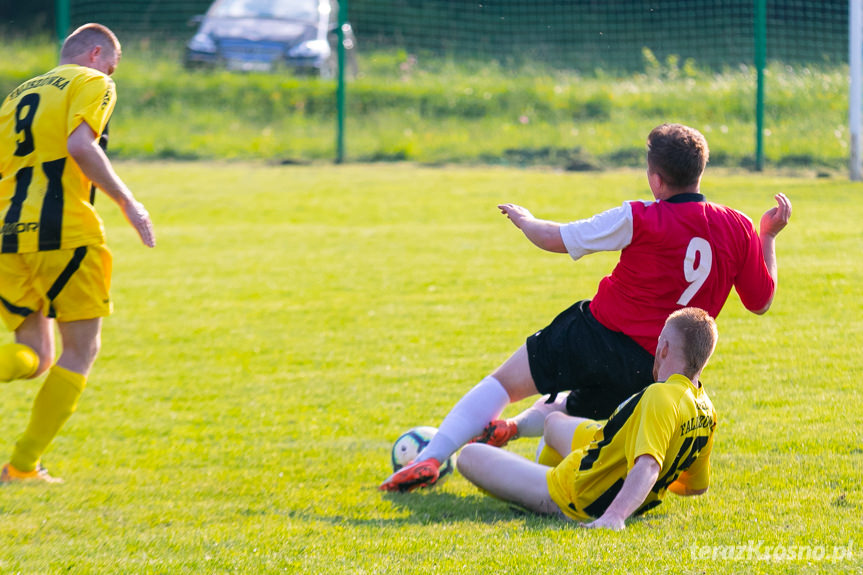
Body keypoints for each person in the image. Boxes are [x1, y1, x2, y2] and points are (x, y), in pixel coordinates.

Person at [380, 123, 790, 492]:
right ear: (701, 171)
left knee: (505, 384)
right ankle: (515, 428)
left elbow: (555, 238)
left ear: (655, 178)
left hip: (595, 334)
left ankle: (429, 458)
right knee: (573, 411)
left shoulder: (640, 216)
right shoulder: (738, 226)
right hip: (655, 368)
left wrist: (524, 219)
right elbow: (761, 301)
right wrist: (767, 236)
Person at [0, 23, 155, 483]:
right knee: (81, 350)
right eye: (113, 67)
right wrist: (129, 202)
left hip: (7, 235)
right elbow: (79, 146)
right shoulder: (93, 81)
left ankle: (24, 467)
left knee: (35, 356)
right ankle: (23, 466)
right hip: (63, 232)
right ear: (95, 55)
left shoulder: (15, 97)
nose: (112, 77)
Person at [456, 307, 719, 530]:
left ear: (663, 349)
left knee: (468, 456)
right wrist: (655, 482)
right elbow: (696, 486)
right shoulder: (706, 408)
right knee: (553, 422)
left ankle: (541, 481)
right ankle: (531, 447)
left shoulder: (660, 396)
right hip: (605, 456)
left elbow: (649, 465)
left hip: (579, 494)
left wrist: (615, 515)